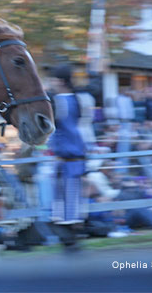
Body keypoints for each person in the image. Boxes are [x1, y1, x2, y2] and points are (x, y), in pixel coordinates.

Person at [47, 64, 87, 249]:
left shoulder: (60, 102)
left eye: (54, 79)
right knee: (71, 200)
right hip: (73, 156)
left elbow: (59, 129)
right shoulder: (78, 99)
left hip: (68, 156)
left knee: (67, 202)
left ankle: (71, 241)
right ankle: (71, 240)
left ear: (61, 81)